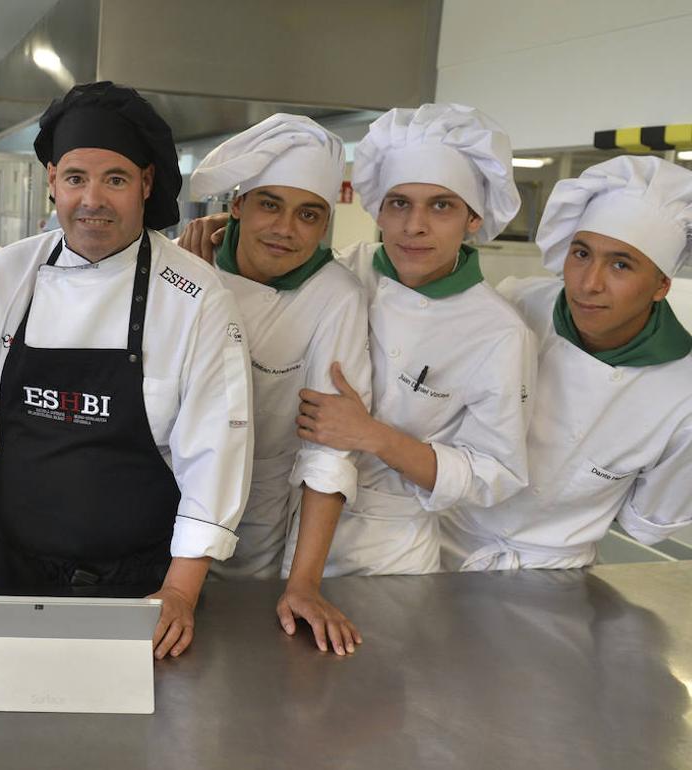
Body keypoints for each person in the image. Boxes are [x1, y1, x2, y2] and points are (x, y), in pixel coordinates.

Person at [0, 81, 253, 660]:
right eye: (76, 178)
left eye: (116, 179)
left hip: (141, 589)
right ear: (52, 181)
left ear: (146, 184)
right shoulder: (7, 276)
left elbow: (214, 458)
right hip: (6, 577)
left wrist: (180, 590)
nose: (92, 199)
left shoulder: (196, 296)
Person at [291, 103, 537, 575]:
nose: (414, 225)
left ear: (473, 219)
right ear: (378, 208)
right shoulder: (339, 272)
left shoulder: (499, 332)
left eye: (441, 205)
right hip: (288, 516)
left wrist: (375, 437)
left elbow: (495, 475)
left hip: (387, 553)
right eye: (399, 203)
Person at [442, 156, 692, 570]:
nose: (589, 283)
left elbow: (648, 521)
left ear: (661, 284)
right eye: (581, 253)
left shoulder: (682, 391)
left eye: (620, 264)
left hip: (552, 576)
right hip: (440, 537)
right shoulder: (515, 306)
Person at [186, 113, 369, 655]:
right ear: (236, 206)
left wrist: (304, 583)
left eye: (308, 215)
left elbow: (328, 449)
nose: (286, 230)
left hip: (258, 518)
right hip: (160, 502)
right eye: (270, 205)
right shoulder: (187, 264)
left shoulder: (336, 296)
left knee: (239, 660)